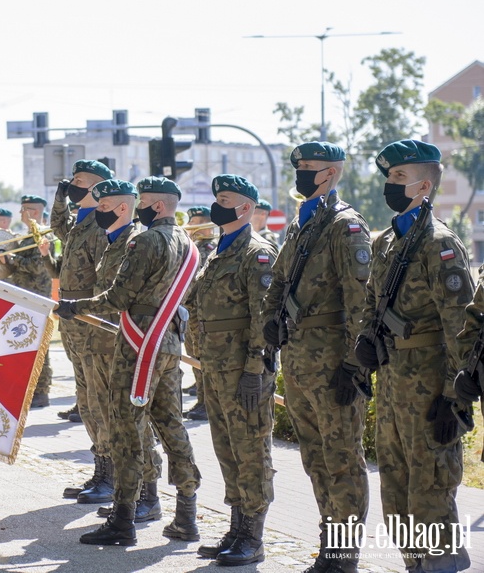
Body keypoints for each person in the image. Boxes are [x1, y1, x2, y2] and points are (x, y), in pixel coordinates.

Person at [55, 176, 202, 547]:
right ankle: (186, 514)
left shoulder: (145, 240)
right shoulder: (186, 242)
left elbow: (118, 296)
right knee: (172, 428)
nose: (139, 209)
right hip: (166, 341)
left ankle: (124, 519)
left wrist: (76, 307)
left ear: (157, 205)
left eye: (144, 202)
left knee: (126, 431)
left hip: (139, 343)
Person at [355, 140, 472, 573]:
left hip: (430, 385)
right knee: (396, 480)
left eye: (398, 178)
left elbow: (461, 327)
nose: (389, 185)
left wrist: (454, 397)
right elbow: (372, 304)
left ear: (424, 186)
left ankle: (442, 562)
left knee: (431, 482)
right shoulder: (387, 241)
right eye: (388, 177)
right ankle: (413, 562)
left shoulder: (440, 244)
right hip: (393, 380)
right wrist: (364, 346)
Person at [262, 141, 371, 573]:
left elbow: (360, 301)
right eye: (299, 166)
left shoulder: (346, 226)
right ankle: (330, 544)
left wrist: (353, 364)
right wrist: (270, 319)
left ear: (330, 173)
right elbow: (281, 278)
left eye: (309, 167)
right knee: (315, 456)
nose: (301, 173)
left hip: (332, 360)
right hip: (300, 355)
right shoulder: (304, 223)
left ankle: (343, 554)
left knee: (342, 456)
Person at [185, 176, 278, 566]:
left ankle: (252, 536)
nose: (216, 205)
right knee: (227, 450)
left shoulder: (257, 252)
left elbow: (263, 317)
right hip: (216, 368)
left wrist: (255, 369)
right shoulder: (219, 250)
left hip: (243, 369)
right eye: (216, 198)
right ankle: (236, 527)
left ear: (244, 207)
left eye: (225, 199)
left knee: (251, 451)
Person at [84, 180, 164, 519]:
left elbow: (122, 297)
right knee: (110, 420)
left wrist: (77, 306)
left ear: (121, 208)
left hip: (127, 344)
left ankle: (150, 495)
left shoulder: (135, 242)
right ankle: (122, 490)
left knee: (137, 422)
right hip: (101, 343)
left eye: (103, 207)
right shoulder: (110, 242)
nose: (97, 212)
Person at [50, 159, 112, 500]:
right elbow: (57, 222)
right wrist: (60, 198)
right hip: (73, 322)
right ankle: (99, 470)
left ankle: (110, 477)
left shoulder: (102, 229)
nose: (73, 185)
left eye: (79, 182)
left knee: (99, 402)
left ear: (97, 187)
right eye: (71, 181)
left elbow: (106, 282)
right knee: (86, 402)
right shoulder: (79, 224)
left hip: (92, 323)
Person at [2, 195, 56, 408]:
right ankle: (30, 390)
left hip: (36, 296)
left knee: (38, 344)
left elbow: (37, 266)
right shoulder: (28, 236)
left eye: (23, 210)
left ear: (33, 212)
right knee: (26, 343)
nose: (20, 214)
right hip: (24, 294)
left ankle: (41, 392)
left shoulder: (43, 236)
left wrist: (10, 259)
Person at [183, 205, 216, 422]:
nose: (189, 226)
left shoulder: (207, 249)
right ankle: (202, 401)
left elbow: (195, 283)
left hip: (199, 313)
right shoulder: (193, 247)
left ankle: (207, 405)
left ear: (205, 226)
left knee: (202, 360)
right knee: (195, 360)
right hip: (190, 313)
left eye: (194, 223)